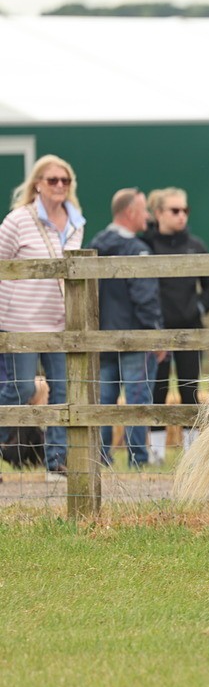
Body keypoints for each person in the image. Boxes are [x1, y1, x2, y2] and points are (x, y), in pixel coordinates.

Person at [0, 155, 86, 481]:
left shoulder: (77, 222)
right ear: (37, 183)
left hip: (60, 321)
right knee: (19, 389)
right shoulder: (17, 220)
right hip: (20, 319)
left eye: (65, 180)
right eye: (52, 180)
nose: (60, 186)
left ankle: (56, 463)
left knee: (62, 391)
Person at [142, 188, 209, 464]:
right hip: (157, 332)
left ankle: (192, 453)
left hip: (190, 331)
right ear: (158, 213)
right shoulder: (145, 246)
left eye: (185, 210)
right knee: (157, 390)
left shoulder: (195, 245)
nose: (181, 215)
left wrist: (197, 308)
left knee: (190, 389)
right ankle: (156, 453)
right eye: (175, 210)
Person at [90, 188, 164, 467]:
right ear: (131, 212)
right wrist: (156, 333)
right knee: (137, 401)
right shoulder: (137, 250)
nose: (147, 216)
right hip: (135, 338)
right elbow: (145, 296)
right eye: (144, 210)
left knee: (103, 402)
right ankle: (138, 459)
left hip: (102, 338)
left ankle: (99, 458)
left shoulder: (96, 244)